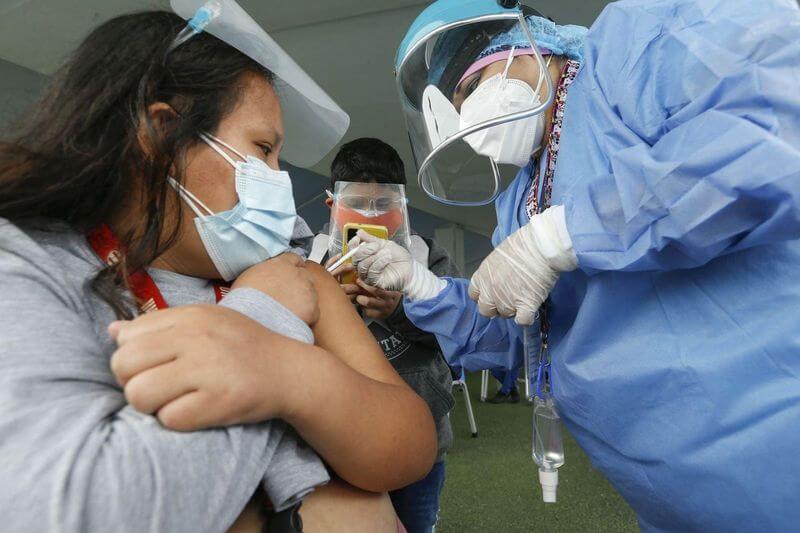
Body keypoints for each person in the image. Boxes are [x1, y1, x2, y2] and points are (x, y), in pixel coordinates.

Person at [350, 0, 800, 530]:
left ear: (529, 44)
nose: (468, 117)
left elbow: (766, 136)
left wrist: (568, 233)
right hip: (668, 496)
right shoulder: (517, 201)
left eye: (470, 89)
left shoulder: (634, 49)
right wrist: (422, 286)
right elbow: (520, 332)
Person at [0, 5, 437, 532]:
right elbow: (65, 509)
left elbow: (411, 442)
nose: (278, 180)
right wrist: (261, 323)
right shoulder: (30, 266)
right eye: (262, 150)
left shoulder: (291, 272)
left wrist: (290, 375)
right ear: (163, 136)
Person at [307, 138, 458, 533]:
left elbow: (458, 336)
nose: (370, 214)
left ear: (403, 207)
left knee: (416, 524)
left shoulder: (429, 257)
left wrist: (400, 312)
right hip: (333, 440)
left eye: (384, 204)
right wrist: (328, 304)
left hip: (420, 444)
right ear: (332, 205)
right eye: (357, 202)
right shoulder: (308, 260)